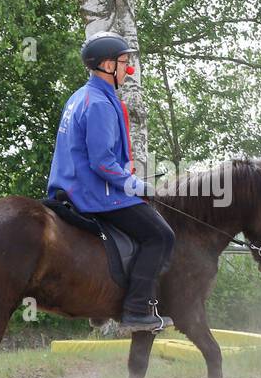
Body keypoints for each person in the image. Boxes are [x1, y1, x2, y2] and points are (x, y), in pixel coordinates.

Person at [47, 32, 174, 332]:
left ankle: (101, 303)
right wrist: (136, 185)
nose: (128, 70)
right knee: (160, 236)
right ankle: (136, 310)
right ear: (106, 65)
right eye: (123, 63)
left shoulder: (80, 96)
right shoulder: (101, 104)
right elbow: (102, 162)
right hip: (94, 194)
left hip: (69, 186)